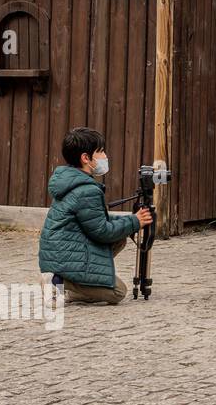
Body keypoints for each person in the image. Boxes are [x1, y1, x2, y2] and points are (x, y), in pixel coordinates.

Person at [38, 127, 152, 304]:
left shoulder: (70, 179)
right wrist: (135, 221)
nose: (105, 156)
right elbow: (102, 231)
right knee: (118, 292)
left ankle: (78, 286)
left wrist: (130, 221)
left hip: (61, 249)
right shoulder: (87, 190)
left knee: (120, 238)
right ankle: (59, 280)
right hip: (63, 255)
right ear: (86, 158)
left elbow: (96, 221)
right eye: (100, 152)